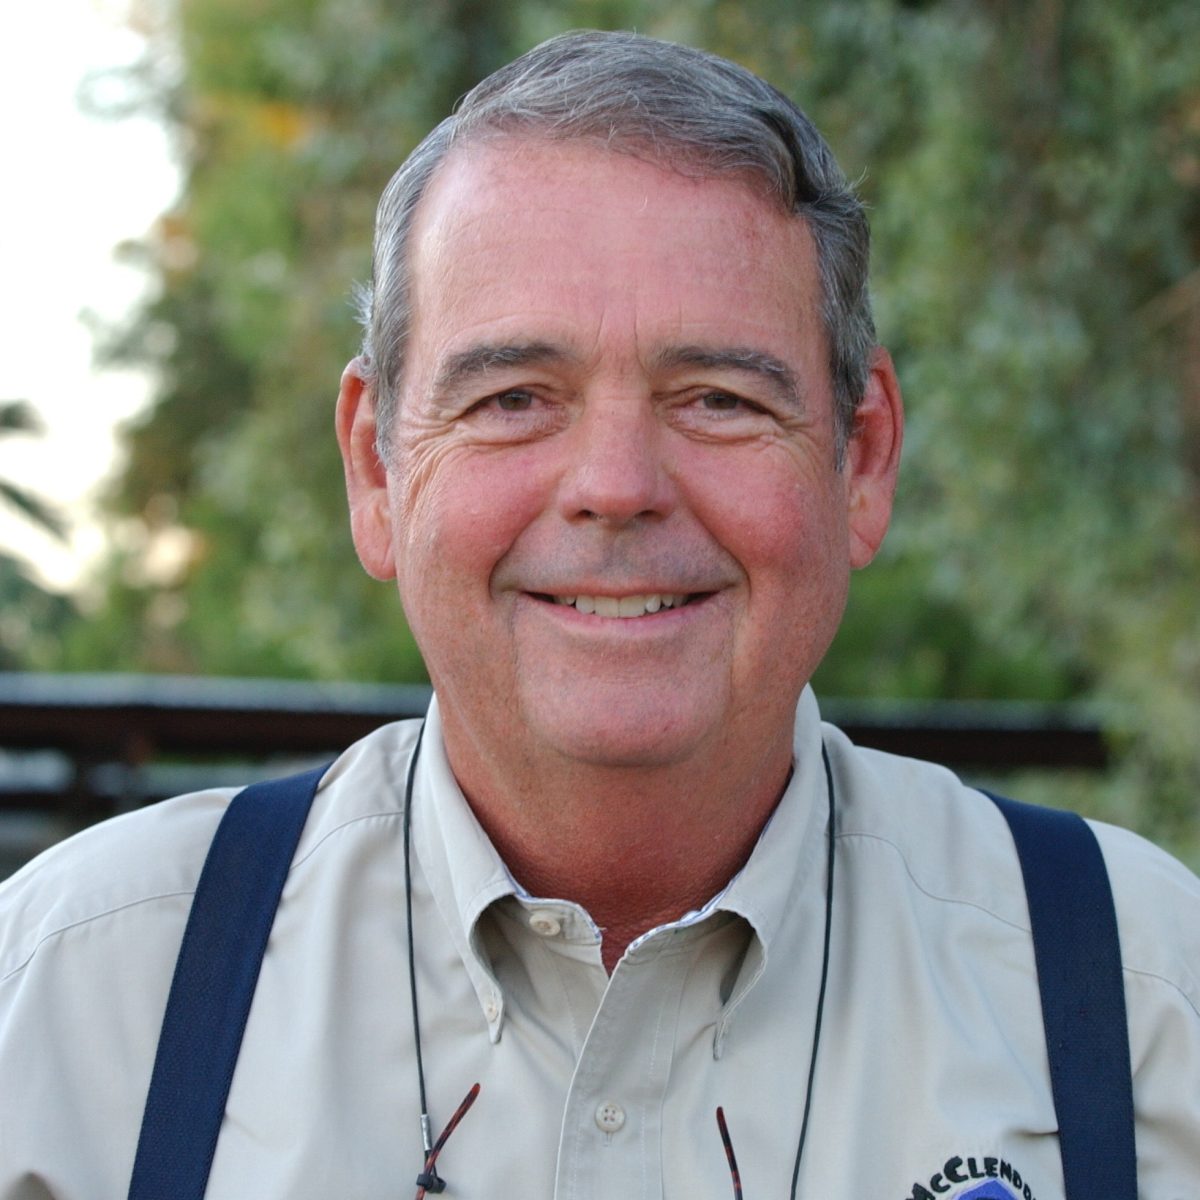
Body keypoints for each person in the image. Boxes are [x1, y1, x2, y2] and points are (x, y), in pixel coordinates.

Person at [1, 30, 1198, 1200]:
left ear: (862, 459)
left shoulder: (1143, 999)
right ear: (376, 470)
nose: (616, 485)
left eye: (720, 399)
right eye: (515, 397)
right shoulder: (73, 1002)